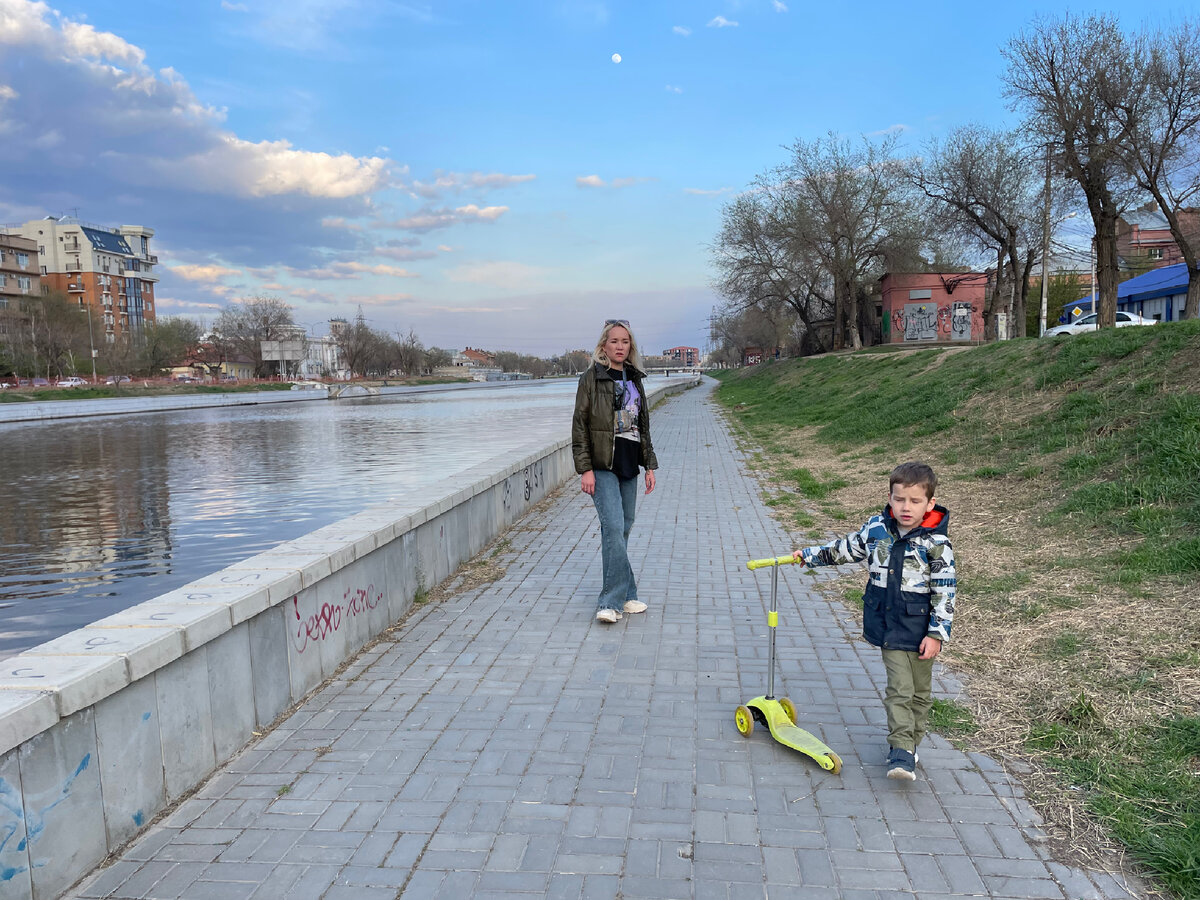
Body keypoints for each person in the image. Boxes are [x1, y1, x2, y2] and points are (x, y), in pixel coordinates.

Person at [792, 461, 956, 781]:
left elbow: (945, 592)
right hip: (889, 625)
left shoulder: (937, 545)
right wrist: (810, 555)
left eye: (914, 501)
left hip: (921, 628)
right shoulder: (876, 529)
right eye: (899, 499)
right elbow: (845, 549)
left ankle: (911, 743)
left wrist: (936, 633)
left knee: (920, 693)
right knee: (900, 689)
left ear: (929, 503)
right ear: (890, 498)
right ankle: (900, 751)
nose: (906, 507)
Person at [572, 319, 659, 624]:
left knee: (622, 529)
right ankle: (610, 601)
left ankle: (628, 593)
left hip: (628, 462)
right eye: (614, 341)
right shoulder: (591, 378)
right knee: (612, 527)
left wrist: (649, 465)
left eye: (625, 342)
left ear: (630, 346)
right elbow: (580, 426)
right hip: (602, 463)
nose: (620, 346)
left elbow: (644, 426)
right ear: (603, 346)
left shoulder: (635, 378)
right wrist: (585, 469)